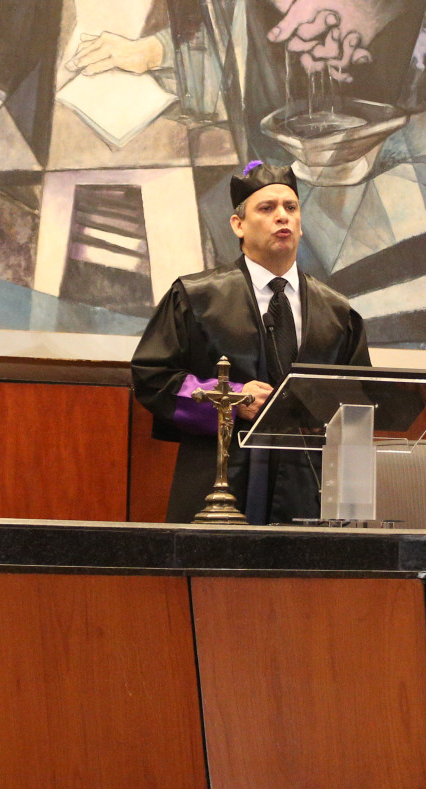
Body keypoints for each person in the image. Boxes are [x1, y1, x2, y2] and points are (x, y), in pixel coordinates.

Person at [131, 161, 371, 524]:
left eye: (291, 207)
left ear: (301, 224)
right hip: (221, 482)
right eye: (267, 208)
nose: (282, 216)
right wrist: (232, 400)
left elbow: (359, 403)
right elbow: (152, 377)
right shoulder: (196, 298)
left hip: (309, 487)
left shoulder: (337, 312)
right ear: (238, 225)